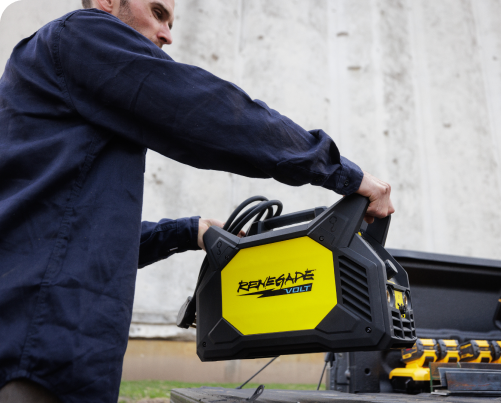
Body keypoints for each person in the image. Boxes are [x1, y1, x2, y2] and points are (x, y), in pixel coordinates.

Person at [0, 0, 395, 402]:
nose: (168, 34)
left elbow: (68, 233)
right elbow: (206, 111)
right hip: (39, 351)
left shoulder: (48, 76)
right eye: (157, 12)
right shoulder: (83, 34)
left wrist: (191, 231)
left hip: (42, 342)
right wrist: (343, 173)